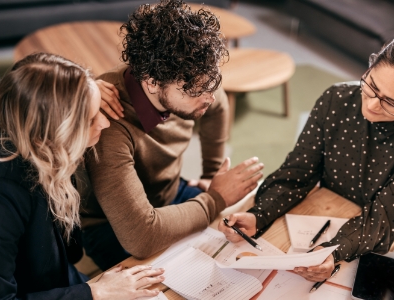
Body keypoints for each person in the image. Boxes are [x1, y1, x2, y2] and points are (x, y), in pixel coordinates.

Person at [218, 34, 394, 283]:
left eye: (391, 103)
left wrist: (336, 250)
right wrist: (259, 215)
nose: (373, 104)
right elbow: (297, 172)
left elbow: (385, 217)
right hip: (332, 215)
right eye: (372, 85)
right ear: (370, 66)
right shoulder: (336, 99)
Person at [0, 53, 165, 300]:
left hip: (59, 278)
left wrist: (85, 93)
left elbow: (68, 252)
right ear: (50, 132)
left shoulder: (44, 150)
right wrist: (95, 292)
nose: (105, 123)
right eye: (90, 119)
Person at [80, 0, 264, 271]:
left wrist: (211, 175)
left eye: (212, 83)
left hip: (168, 194)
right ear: (152, 82)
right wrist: (215, 197)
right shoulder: (110, 123)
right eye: (195, 92)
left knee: (237, 241)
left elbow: (218, 104)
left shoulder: (194, 80)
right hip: (115, 227)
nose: (209, 97)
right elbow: (141, 237)